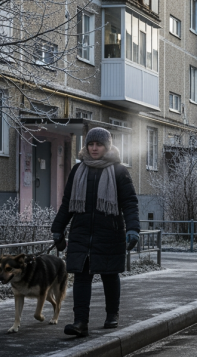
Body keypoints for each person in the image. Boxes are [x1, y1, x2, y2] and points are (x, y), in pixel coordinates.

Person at [51, 127, 140, 337]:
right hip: (81, 232)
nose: (94, 148)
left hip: (109, 232)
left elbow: (129, 203)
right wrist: (57, 228)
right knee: (81, 277)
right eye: (90, 144)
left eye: (98, 144)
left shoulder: (119, 170)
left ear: (107, 146)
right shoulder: (78, 170)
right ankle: (80, 322)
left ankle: (112, 314)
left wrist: (133, 229)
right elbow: (68, 203)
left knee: (109, 275)